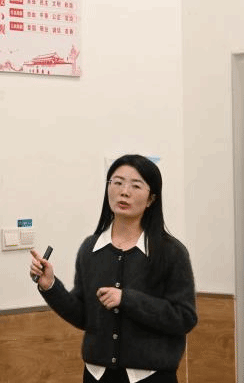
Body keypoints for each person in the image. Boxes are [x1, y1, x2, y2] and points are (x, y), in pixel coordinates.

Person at [30, 154, 197, 383]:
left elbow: (184, 318)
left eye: (135, 185)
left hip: (150, 376)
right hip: (96, 375)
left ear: (151, 199)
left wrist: (127, 299)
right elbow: (84, 316)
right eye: (117, 182)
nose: (124, 192)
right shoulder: (90, 248)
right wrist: (50, 285)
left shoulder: (171, 252)